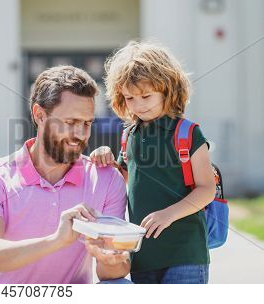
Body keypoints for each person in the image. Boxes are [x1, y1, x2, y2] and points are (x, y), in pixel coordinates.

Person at [0, 65, 131, 284]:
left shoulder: (106, 179)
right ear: (39, 115)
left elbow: (114, 271)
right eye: (70, 122)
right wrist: (56, 241)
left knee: (120, 287)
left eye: (87, 123)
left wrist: (110, 260)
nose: (80, 134)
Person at [90, 41, 216, 284]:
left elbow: (206, 189)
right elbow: (123, 179)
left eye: (146, 96)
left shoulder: (187, 133)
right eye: (129, 98)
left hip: (186, 254)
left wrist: (169, 214)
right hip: (142, 257)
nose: (138, 105)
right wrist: (105, 155)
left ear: (168, 90)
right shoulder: (129, 135)